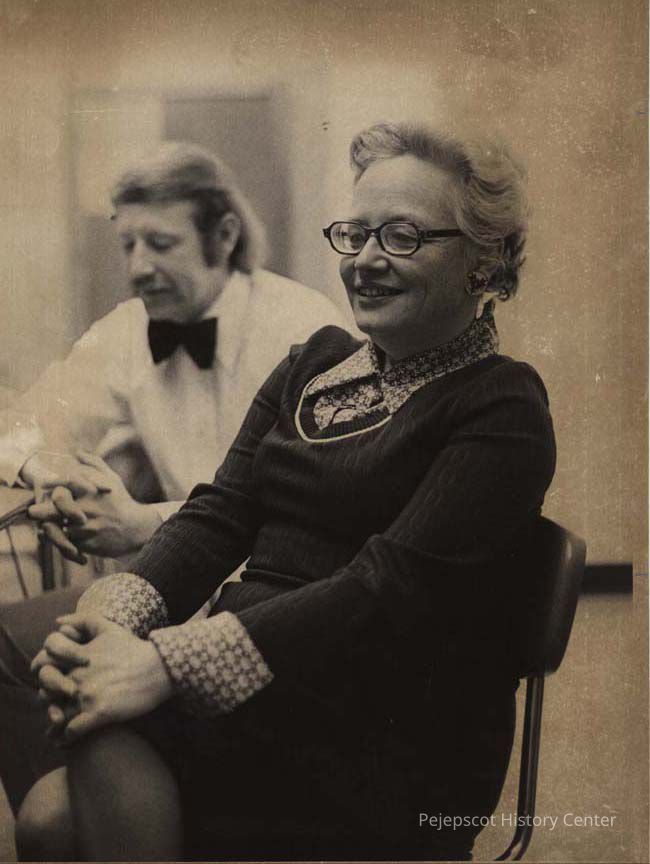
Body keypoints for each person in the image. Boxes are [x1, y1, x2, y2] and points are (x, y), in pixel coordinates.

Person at [12, 121, 555, 861]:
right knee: (53, 804)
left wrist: (163, 665)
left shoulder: (501, 405)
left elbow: (384, 589)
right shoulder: (313, 363)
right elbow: (217, 517)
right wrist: (109, 621)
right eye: (355, 235)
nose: (365, 260)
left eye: (401, 237)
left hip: (387, 734)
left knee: (85, 748)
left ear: (483, 262)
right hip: (256, 691)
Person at [0, 140, 348, 565]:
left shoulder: (304, 328)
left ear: (224, 236)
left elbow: (318, 502)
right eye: (128, 245)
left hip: (288, 585)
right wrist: (52, 478)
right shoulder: (126, 331)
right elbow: (19, 425)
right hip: (176, 585)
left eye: (161, 244)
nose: (138, 269)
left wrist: (151, 523)